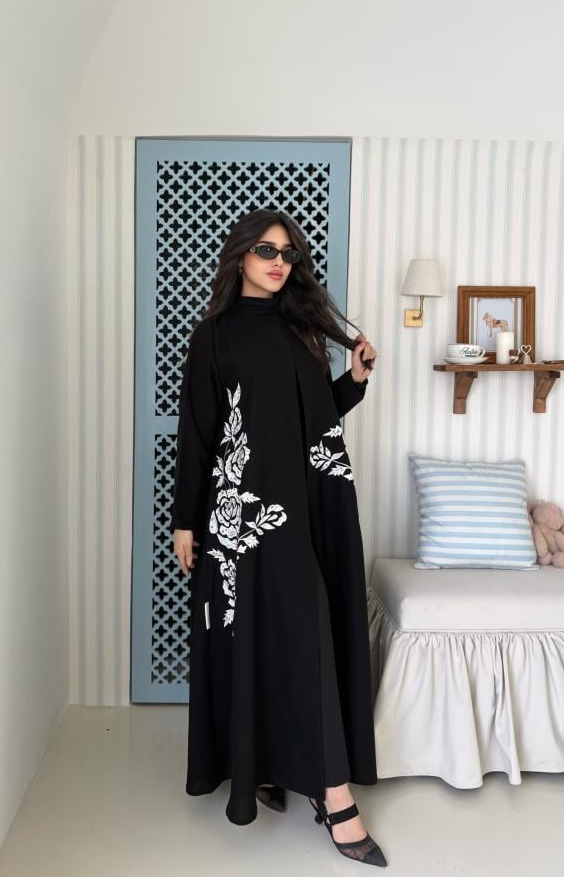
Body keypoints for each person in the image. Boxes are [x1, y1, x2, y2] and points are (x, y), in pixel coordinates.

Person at [170, 209, 386, 867]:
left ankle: (329, 788)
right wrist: (185, 520)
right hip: (243, 517)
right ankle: (284, 771)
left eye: (288, 254)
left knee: (306, 632)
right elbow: (197, 433)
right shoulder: (213, 337)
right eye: (266, 250)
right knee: (258, 638)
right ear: (240, 255)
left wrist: (353, 381)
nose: (278, 263)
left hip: (307, 510)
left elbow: (310, 420)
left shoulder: (300, 333)